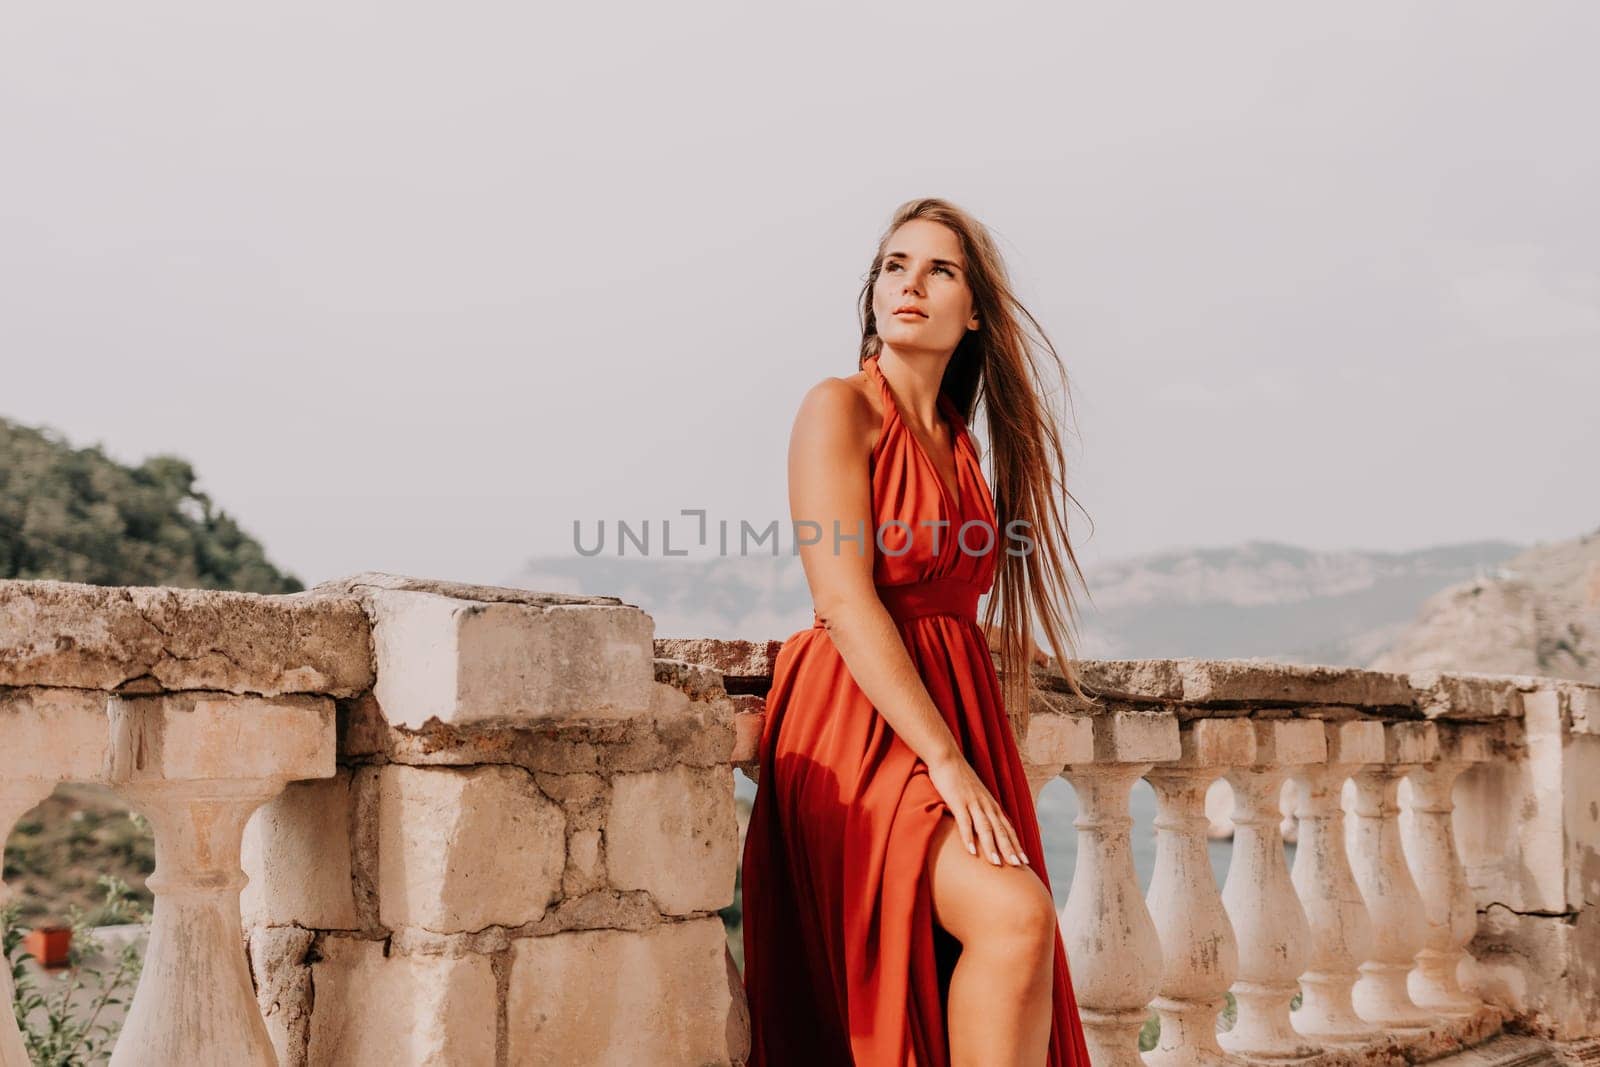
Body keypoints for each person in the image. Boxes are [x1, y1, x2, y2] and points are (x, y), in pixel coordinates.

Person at [740, 197, 1099, 1066]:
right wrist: (947, 759)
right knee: (1013, 915)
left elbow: (947, 606)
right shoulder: (838, 409)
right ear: (872, 294)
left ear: (973, 312)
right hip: (860, 724)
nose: (911, 284)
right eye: (895, 266)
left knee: (1002, 942)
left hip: (946, 715)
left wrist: (966, 744)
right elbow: (846, 601)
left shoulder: (962, 444)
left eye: (940, 270)